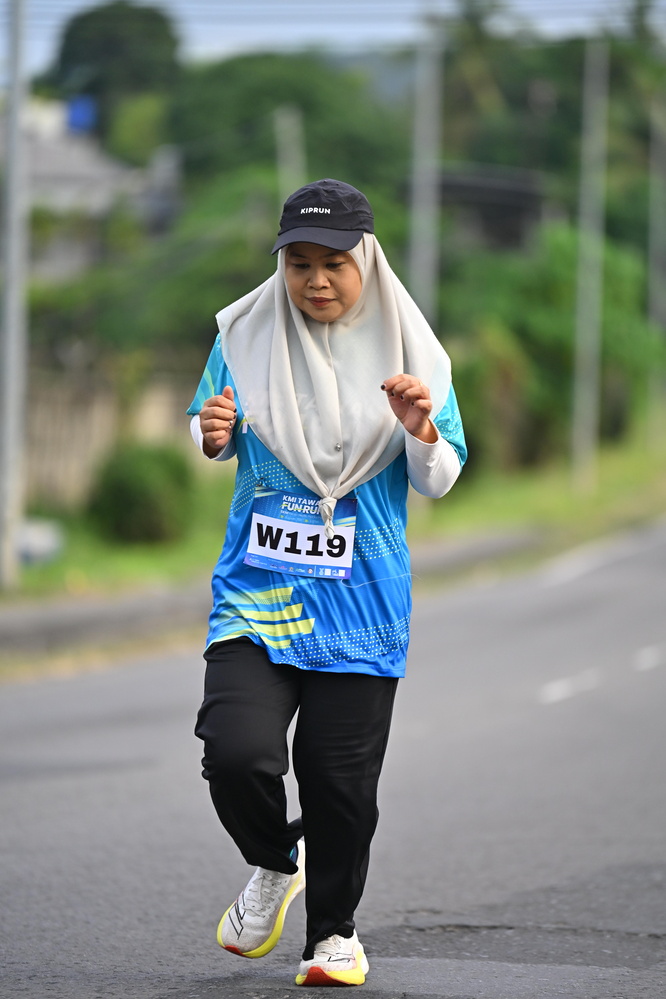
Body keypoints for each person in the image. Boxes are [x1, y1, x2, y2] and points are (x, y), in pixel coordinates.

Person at [187, 178, 467, 987]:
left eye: (333, 263)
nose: (314, 280)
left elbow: (441, 477)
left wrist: (419, 430)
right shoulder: (243, 337)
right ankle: (276, 862)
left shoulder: (417, 355)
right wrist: (209, 432)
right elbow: (210, 424)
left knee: (340, 785)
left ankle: (333, 936)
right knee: (236, 753)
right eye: (299, 263)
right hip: (259, 595)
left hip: (362, 605)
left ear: (366, 263)